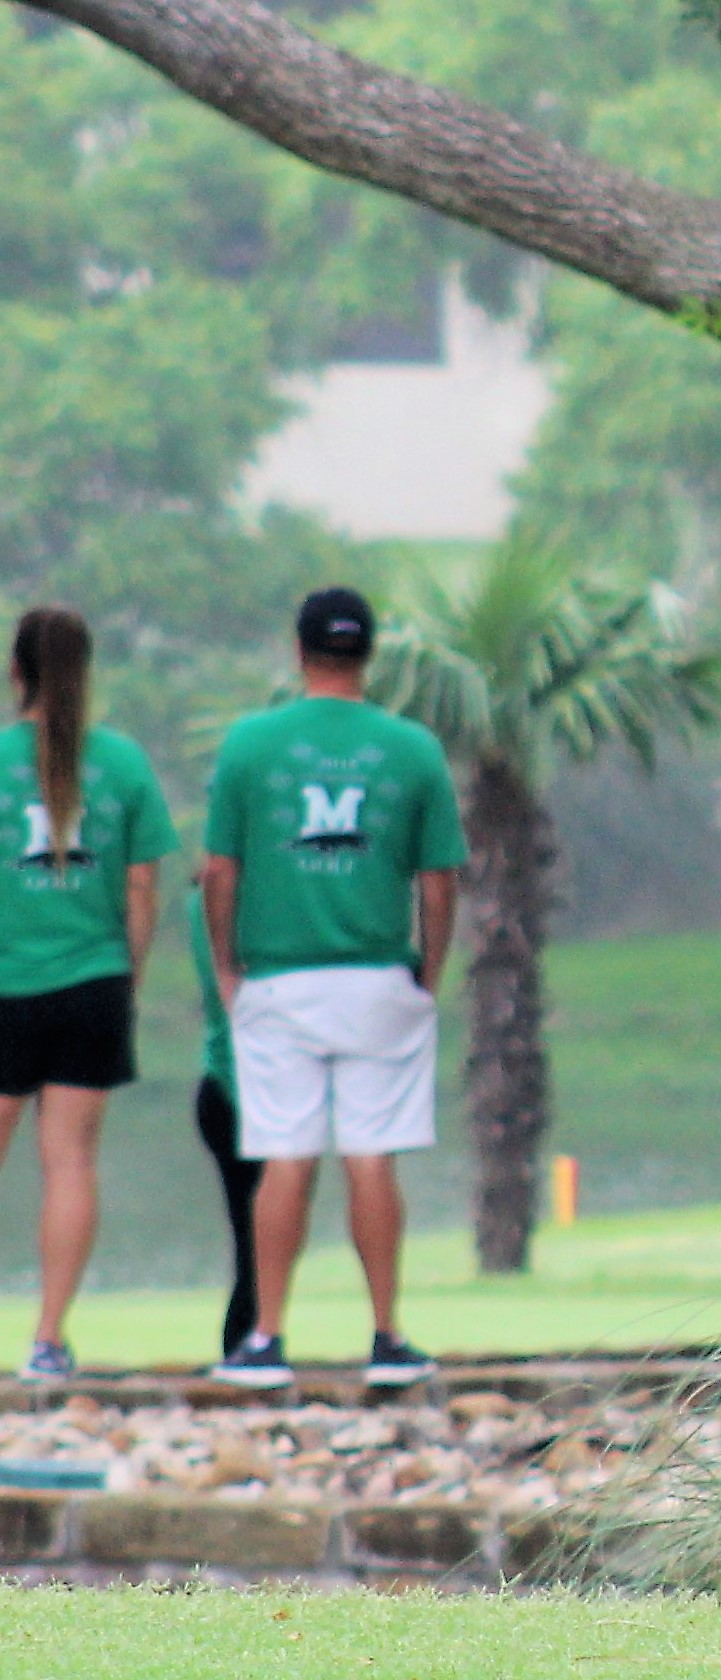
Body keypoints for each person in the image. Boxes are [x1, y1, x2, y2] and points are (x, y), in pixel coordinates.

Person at [202, 588, 466, 1389]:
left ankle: (265, 1340)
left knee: (285, 1155)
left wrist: (226, 965)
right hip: (379, 977)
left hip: (279, 979)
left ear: (300, 649)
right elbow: (440, 881)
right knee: (370, 1155)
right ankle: (386, 1337)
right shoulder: (413, 747)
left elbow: (219, 870)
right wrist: (430, 972)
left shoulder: (250, 743)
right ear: (369, 654)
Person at [0, 609, 177, 1383]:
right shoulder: (125, 764)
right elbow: (143, 888)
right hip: (95, 982)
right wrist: (126, 976)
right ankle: (47, 1339)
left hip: (8, 983)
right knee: (69, 1163)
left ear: (17, 673)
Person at [188, 892, 262, 1364]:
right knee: (253, 1236)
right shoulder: (222, 904)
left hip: (234, 1090)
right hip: (239, 1092)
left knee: (252, 1238)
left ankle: (247, 1342)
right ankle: (248, 1345)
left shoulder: (205, 900)